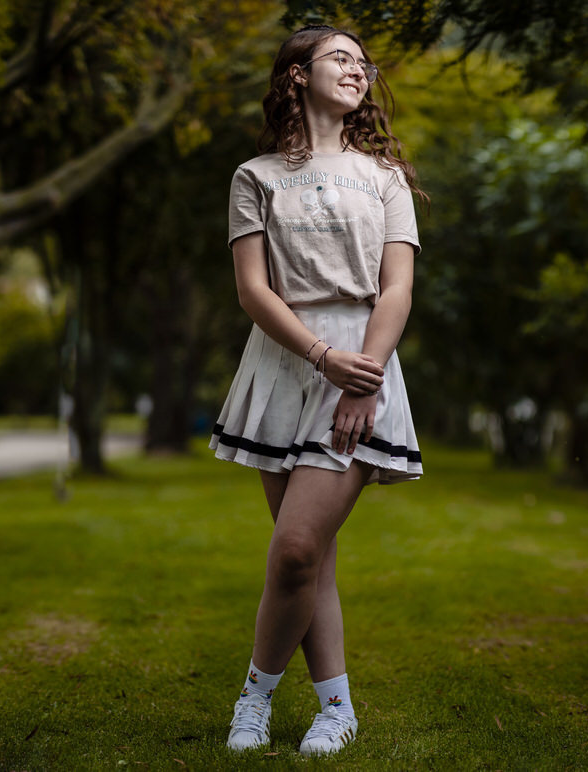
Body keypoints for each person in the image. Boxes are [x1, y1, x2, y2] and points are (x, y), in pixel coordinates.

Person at [208, 24, 428, 757]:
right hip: (282, 367)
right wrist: (317, 355)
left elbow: (395, 290)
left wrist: (360, 374)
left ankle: (254, 698)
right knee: (309, 559)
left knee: (297, 548)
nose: (357, 70)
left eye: (363, 64)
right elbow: (252, 289)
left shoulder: (386, 179)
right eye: (339, 58)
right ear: (297, 75)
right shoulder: (255, 176)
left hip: (362, 366)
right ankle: (336, 709)